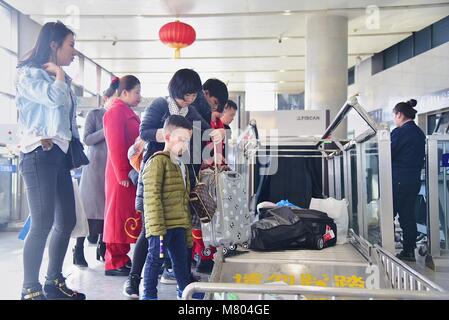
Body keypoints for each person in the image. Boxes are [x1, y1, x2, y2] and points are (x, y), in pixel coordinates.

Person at [123, 68, 219, 298]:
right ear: (179, 89)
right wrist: (171, 134)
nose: (192, 98)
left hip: (179, 174)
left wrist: (214, 135)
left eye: (195, 94)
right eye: (189, 93)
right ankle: (135, 281)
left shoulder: (190, 110)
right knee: (151, 231)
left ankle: (183, 283)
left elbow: (204, 129)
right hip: (158, 170)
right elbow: (144, 131)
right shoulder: (160, 105)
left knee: (179, 229)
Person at [16, 21, 85, 300]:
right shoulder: (28, 74)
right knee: (42, 222)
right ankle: (29, 289)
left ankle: (53, 281)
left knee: (66, 220)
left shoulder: (63, 80)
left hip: (57, 155)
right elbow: (52, 100)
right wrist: (57, 75)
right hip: (36, 154)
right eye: (71, 45)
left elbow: (68, 123)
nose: (74, 52)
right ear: (54, 45)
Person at [141, 115, 204, 300]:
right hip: (161, 226)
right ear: (167, 137)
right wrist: (157, 228)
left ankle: (184, 291)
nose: (184, 145)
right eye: (181, 139)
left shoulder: (180, 163)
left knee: (181, 261)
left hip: (179, 224)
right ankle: (149, 295)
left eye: (187, 141)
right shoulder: (157, 161)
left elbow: (182, 197)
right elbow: (152, 197)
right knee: (155, 260)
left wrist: (186, 225)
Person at [73, 77, 119, 267]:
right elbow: (87, 139)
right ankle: (79, 250)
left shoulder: (121, 115)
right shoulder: (95, 114)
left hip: (112, 169)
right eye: (114, 98)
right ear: (106, 98)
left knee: (107, 212)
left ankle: (103, 246)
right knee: (89, 213)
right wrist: (106, 129)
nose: (116, 102)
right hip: (94, 169)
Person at [103, 75, 142, 276]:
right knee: (117, 216)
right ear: (124, 92)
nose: (139, 97)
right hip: (121, 174)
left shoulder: (125, 112)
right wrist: (121, 173)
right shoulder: (115, 113)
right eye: (136, 92)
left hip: (128, 172)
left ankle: (121, 258)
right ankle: (113, 261)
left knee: (125, 215)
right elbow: (115, 145)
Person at [191, 78, 229, 274]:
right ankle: (202, 255)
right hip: (199, 174)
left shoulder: (216, 122)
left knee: (208, 215)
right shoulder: (198, 117)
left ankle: (207, 253)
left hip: (210, 175)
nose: (216, 109)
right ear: (205, 94)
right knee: (201, 216)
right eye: (215, 103)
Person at [391, 99, 425, 262]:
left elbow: (387, 154)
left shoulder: (399, 132)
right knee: (408, 216)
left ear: (399, 114)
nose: (394, 119)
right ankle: (409, 251)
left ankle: (385, 249)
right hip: (413, 181)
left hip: (398, 180)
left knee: (387, 213)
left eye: (394, 116)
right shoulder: (419, 133)